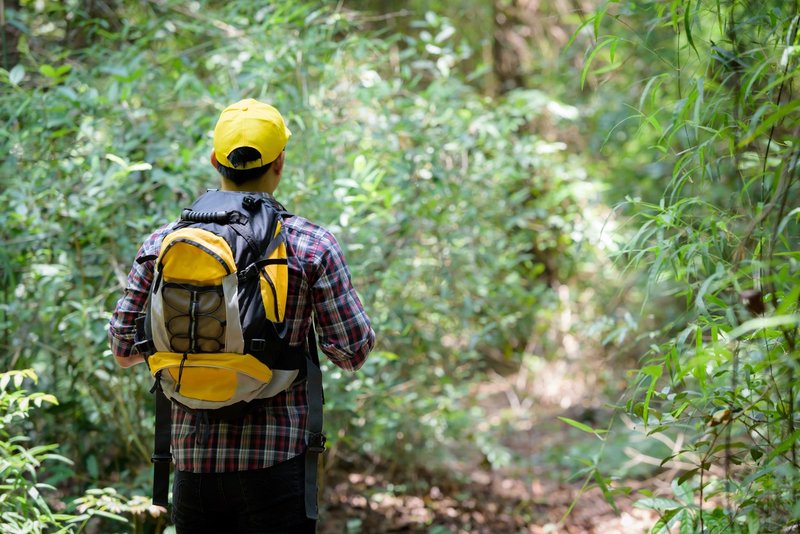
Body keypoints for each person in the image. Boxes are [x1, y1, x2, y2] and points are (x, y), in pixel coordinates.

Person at [108, 98, 376, 533]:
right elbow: (353, 351)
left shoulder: (164, 243)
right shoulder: (310, 245)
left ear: (215, 160)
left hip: (194, 467)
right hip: (277, 465)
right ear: (280, 164)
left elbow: (122, 349)